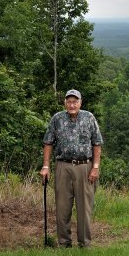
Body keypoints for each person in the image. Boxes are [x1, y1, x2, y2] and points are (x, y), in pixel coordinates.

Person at [40, 89, 103, 248]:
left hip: (85, 167)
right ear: (65, 103)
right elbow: (48, 143)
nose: (72, 105)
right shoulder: (57, 119)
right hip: (63, 166)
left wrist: (95, 167)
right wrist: (46, 166)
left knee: (84, 208)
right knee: (62, 207)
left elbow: (97, 143)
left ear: (80, 103)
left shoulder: (89, 117)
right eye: (69, 102)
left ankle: (84, 244)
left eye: (75, 101)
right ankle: (64, 243)